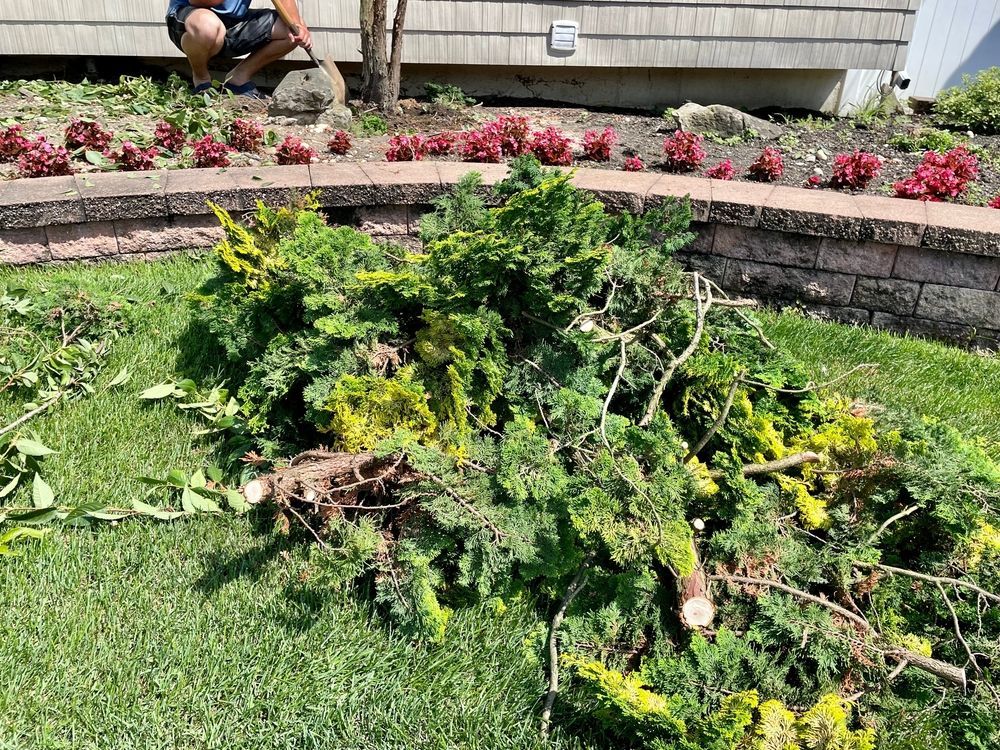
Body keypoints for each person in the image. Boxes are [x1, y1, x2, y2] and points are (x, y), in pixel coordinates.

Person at [166, 0, 313, 97]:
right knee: (207, 26)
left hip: (232, 23)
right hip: (190, 21)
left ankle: (238, 79)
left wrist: (297, 26)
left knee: (292, 30)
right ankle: (201, 77)